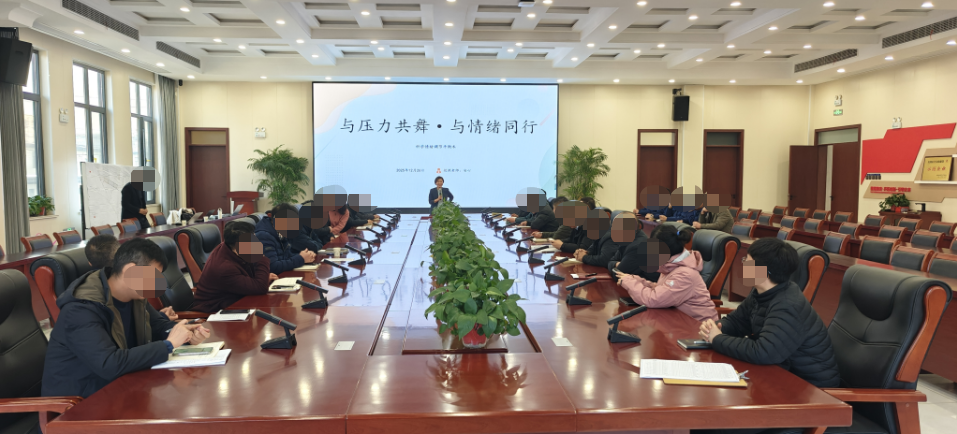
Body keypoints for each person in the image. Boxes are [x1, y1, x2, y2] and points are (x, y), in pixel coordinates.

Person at [42, 238, 210, 398]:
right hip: (81, 403)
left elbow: (158, 326)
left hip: (123, 387)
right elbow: (109, 364)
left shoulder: (134, 295)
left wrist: (186, 334)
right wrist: (169, 345)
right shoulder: (81, 309)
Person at [700, 238, 840, 388]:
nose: (743, 266)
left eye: (747, 262)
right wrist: (716, 327)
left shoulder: (788, 305)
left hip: (810, 388)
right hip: (780, 372)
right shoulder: (762, 292)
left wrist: (718, 339)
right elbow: (737, 321)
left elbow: (763, 352)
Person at [617, 225, 717, 322]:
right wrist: (638, 281)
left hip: (698, 327)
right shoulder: (670, 264)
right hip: (677, 320)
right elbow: (664, 290)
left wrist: (629, 282)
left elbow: (653, 299)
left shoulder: (685, 274)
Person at [191, 221, 279, 313]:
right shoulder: (225, 268)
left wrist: (262, 278)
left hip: (236, 300)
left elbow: (254, 280)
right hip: (215, 312)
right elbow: (260, 287)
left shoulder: (228, 247)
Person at [255, 203, 317, 274]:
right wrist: (301, 259)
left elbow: (286, 256)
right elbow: (272, 266)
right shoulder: (264, 235)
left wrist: (305, 256)